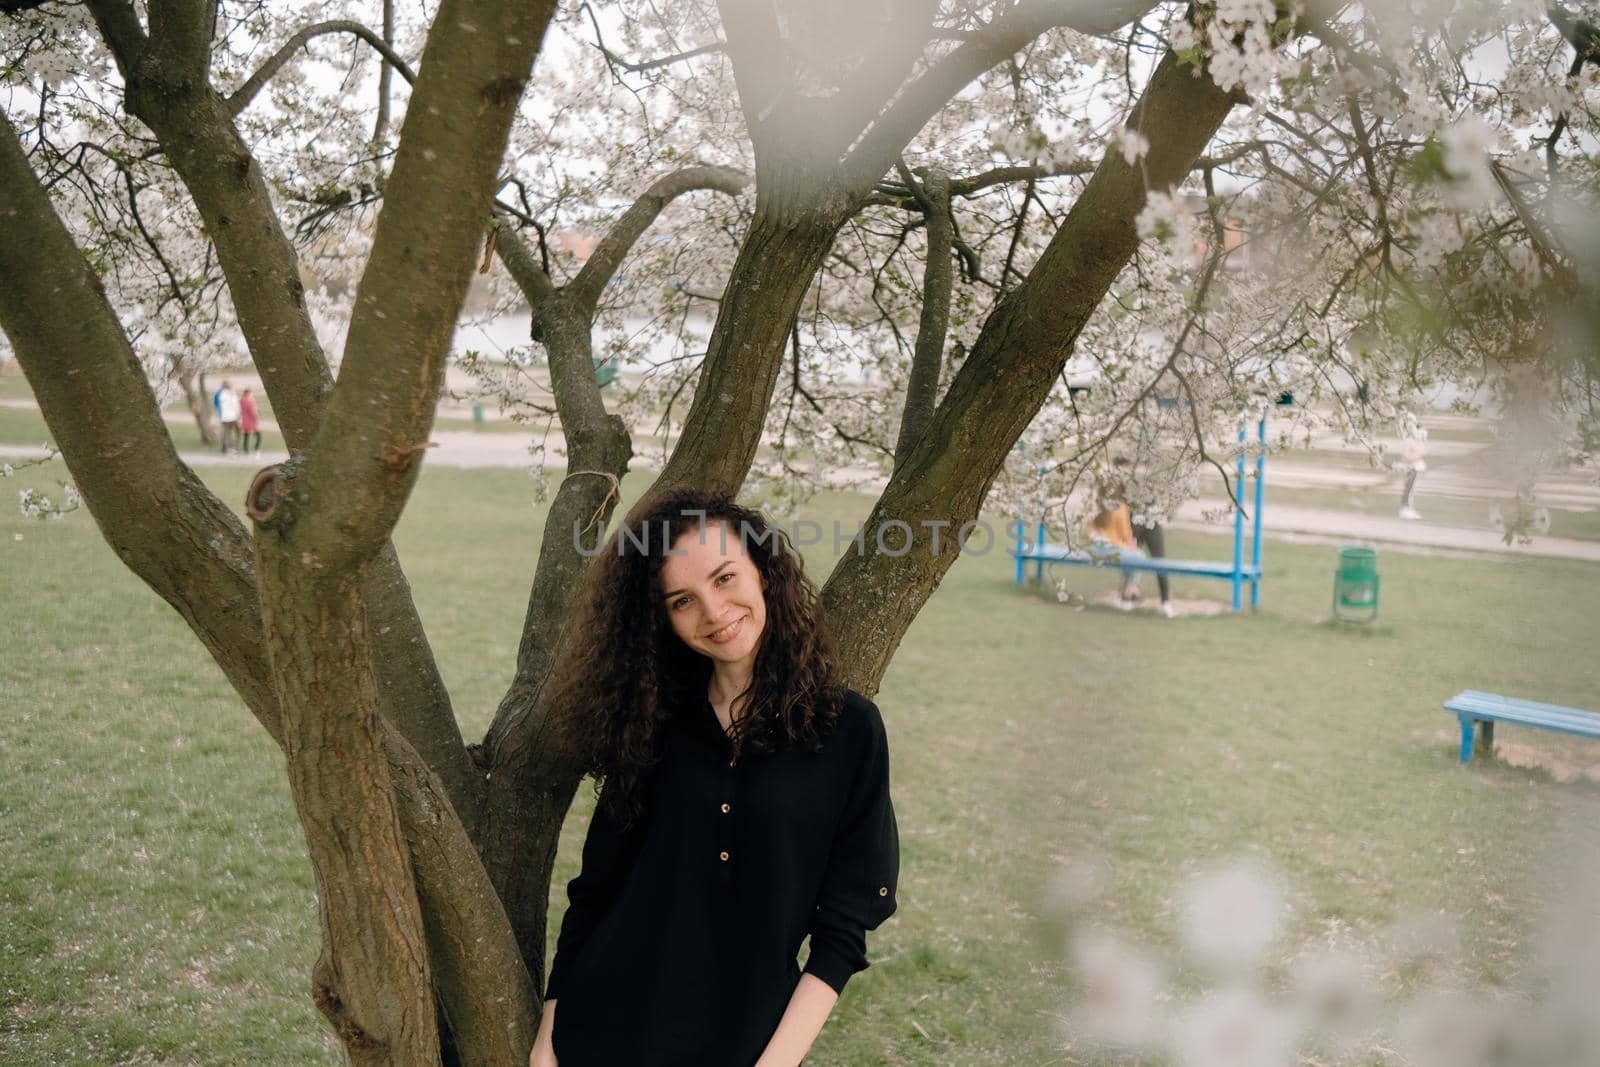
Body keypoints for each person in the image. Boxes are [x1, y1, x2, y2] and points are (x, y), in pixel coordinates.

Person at [529, 489, 899, 1067]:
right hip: (600, 1032)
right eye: (683, 600)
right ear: (664, 620)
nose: (713, 612)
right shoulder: (653, 721)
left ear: (763, 570)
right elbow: (597, 893)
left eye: (725, 578)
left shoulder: (849, 729)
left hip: (746, 1044)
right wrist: (549, 1040)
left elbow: (844, 931)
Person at [1398, 411, 1428, 520]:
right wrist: (1420, 453)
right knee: (1409, 490)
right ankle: (1406, 510)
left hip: (1416, 468)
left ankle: (1408, 509)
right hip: (1412, 468)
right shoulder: (1408, 441)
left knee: (1411, 490)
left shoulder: (1414, 439)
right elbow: (1406, 457)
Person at [216, 380, 240, 454]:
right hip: (232, 416)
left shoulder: (221, 394)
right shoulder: (232, 394)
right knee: (234, 432)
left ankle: (227, 448)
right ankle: (232, 448)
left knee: (227, 433)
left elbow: (219, 405)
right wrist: (238, 416)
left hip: (225, 417)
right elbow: (235, 406)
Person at [239, 388, 261, 453]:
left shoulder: (241, 400)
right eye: (251, 393)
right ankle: (257, 448)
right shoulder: (249, 401)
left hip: (245, 420)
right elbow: (253, 411)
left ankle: (246, 449)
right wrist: (257, 417)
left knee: (246, 435)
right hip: (251, 421)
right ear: (248, 393)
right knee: (258, 436)